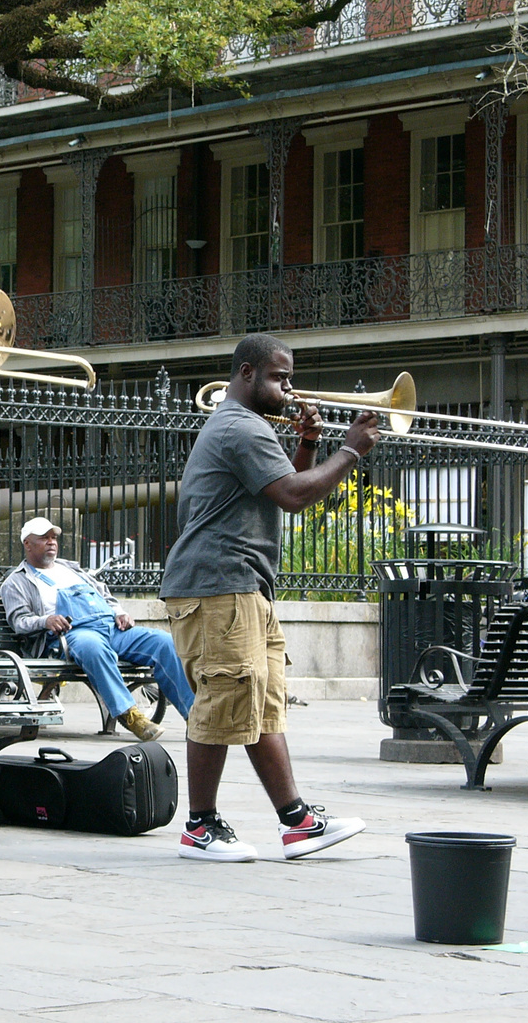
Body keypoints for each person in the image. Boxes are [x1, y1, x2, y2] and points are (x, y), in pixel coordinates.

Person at [161, 333, 380, 862]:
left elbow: (286, 487)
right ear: (246, 375)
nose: (288, 388)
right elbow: (295, 495)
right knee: (221, 701)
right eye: (279, 377)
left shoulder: (246, 428)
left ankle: (297, 822)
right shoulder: (239, 426)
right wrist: (350, 450)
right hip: (219, 584)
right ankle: (200, 827)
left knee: (259, 706)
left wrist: (307, 444)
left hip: (242, 585)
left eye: (288, 378)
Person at [0, 516, 194, 741]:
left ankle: (194, 716)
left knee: (164, 642)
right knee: (93, 648)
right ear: (27, 544)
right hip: (72, 635)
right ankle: (130, 716)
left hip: (112, 628)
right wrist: (45, 621)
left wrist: (120, 611)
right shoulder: (16, 582)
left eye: (53, 537)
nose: (51, 542)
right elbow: (19, 622)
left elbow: (106, 597)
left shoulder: (73, 570)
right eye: (44, 538)